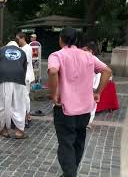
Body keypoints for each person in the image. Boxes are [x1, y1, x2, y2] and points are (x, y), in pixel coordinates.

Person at [48, 28, 112, 177]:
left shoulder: (57, 55)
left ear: (61, 39)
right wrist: (97, 92)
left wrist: (54, 94)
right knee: (78, 142)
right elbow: (107, 71)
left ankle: (70, 174)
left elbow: (52, 71)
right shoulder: (88, 56)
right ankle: (71, 172)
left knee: (66, 144)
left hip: (65, 109)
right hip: (85, 109)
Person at [0, 41, 28, 139]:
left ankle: (4, 130)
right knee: (19, 104)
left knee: (3, 103)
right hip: (19, 78)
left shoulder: (0, 50)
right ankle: (19, 131)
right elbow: (25, 69)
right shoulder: (22, 52)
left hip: (3, 77)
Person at [16, 32, 35, 128]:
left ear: (22, 38)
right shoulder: (20, 48)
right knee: (22, 97)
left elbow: (25, 62)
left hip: (26, 75)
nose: (17, 41)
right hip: (21, 75)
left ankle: (28, 117)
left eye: (18, 39)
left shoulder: (27, 48)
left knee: (25, 96)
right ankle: (25, 116)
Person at [82, 41, 101, 129]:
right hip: (83, 87)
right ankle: (83, 122)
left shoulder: (95, 60)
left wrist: (95, 88)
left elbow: (99, 74)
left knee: (91, 106)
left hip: (91, 87)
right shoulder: (81, 59)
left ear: (91, 51)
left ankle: (88, 122)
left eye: (87, 50)